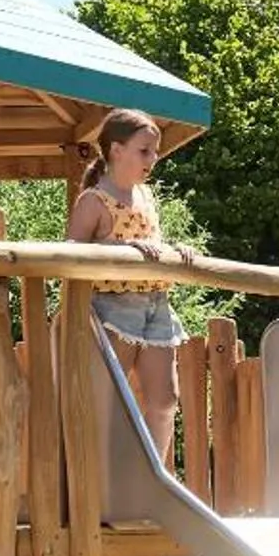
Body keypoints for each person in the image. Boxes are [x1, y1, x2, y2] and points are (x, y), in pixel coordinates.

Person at [66, 106, 195, 454]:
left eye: (154, 151)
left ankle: (154, 478)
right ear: (116, 150)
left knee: (166, 400)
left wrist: (173, 249)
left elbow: (151, 244)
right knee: (112, 401)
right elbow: (70, 252)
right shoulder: (94, 200)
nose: (152, 158)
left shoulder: (146, 196)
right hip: (113, 305)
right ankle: (105, 478)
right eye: (144, 151)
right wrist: (117, 247)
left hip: (156, 304)